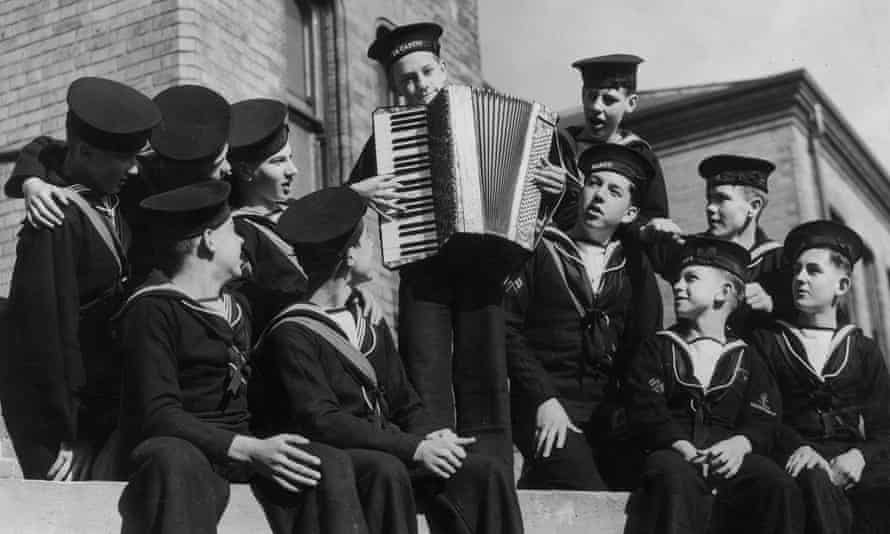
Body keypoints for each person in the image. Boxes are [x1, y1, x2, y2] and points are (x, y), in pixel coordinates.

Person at [348, 21, 564, 468]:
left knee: (485, 374)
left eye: (427, 72)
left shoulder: (476, 110)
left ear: (443, 69)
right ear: (395, 87)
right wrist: (361, 194)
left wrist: (557, 186)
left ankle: (491, 472)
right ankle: (435, 467)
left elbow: (543, 193)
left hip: (482, 270)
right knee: (425, 370)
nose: (420, 85)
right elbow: (347, 200)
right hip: (423, 270)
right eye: (407, 80)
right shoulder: (390, 137)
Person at [250, 186, 524, 534]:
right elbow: (323, 422)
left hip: (391, 447)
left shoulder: (368, 320)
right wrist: (414, 448)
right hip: (345, 456)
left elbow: (405, 402)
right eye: (366, 241)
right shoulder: (292, 333)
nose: (374, 247)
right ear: (349, 257)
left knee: (486, 472)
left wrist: (432, 436)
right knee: (386, 471)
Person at [116, 180, 367, 534]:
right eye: (234, 232)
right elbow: (158, 414)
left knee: (326, 462)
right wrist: (247, 449)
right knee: (175, 461)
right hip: (183, 446)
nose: (242, 243)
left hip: (244, 446)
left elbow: (312, 295)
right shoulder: (152, 309)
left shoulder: (240, 304)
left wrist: (351, 296)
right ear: (209, 240)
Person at [3, 77, 161, 480]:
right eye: (124, 158)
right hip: (60, 423)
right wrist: (69, 431)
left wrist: (30, 177)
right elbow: (48, 337)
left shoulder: (112, 195)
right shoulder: (54, 221)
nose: (134, 168)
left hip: (102, 400)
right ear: (86, 152)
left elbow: (45, 146)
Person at [505, 144, 662, 490]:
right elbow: (507, 331)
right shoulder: (539, 248)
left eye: (614, 190)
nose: (599, 196)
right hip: (545, 406)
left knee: (659, 477)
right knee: (583, 484)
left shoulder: (634, 267)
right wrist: (543, 400)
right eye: (593, 183)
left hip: (608, 414)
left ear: (631, 212)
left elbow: (645, 347)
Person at [623, 236, 802, 534]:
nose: (678, 286)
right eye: (677, 279)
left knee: (776, 484)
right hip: (673, 451)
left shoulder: (748, 356)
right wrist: (682, 447)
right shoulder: (657, 348)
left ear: (724, 292)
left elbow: (765, 416)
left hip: (729, 457)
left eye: (690, 278)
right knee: (671, 476)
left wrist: (739, 445)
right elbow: (645, 407)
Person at [5, 84, 233, 286]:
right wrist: (31, 183)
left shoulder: (227, 185)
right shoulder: (129, 174)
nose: (228, 169)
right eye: (220, 163)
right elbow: (50, 149)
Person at [749, 220, 890, 534]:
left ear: (841, 286)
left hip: (851, 456)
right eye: (796, 270)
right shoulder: (768, 341)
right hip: (796, 453)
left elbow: (886, 427)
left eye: (813, 271)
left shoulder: (862, 348)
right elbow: (764, 415)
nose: (800, 278)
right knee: (812, 480)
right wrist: (802, 449)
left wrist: (859, 455)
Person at [643, 154, 788, 335]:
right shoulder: (689, 250)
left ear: (754, 206)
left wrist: (771, 305)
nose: (710, 208)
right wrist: (647, 233)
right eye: (709, 199)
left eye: (721, 199)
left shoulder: (780, 263)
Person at [553, 54, 668, 234]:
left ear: (630, 103)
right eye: (591, 96)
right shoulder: (559, 147)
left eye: (609, 100)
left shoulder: (640, 155)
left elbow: (655, 219)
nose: (596, 107)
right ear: (582, 96)